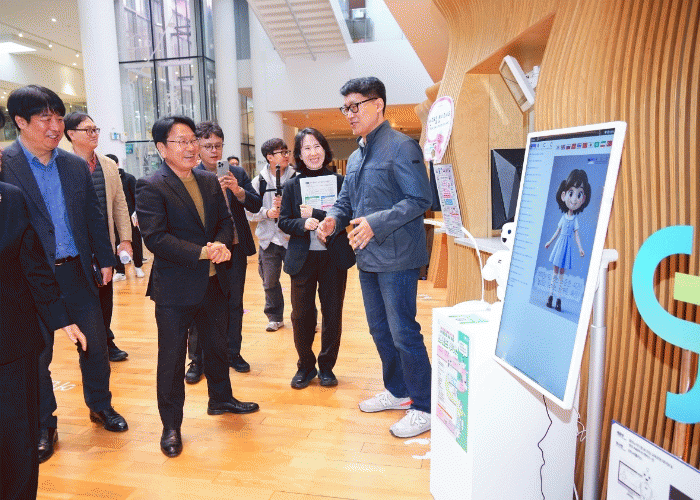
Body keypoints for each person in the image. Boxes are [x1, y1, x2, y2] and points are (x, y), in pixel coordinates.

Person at [1, 85, 129, 464]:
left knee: (96, 346)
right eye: (45, 118)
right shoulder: (6, 165)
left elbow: (92, 215)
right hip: (28, 282)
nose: (55, 126)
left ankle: (100, 405)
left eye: (59, 118)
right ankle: (45, 425)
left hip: (76, 272)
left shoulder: (73, 165)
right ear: (20, 122)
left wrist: (105, 258)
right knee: (38, 356)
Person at [135, 115, 259, 458]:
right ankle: (171, 426)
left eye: (192, 140)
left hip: (213, 282)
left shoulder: (207, 180)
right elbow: (156, 238)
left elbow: (224, 221)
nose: (190, 148)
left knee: (217, 346)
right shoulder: (151, 185)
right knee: (172, 359)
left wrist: (220, 243)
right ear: (162, 148)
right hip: (175, 289)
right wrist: (204, 252)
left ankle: (221, 399)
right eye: (181, 141)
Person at [317, 77, 433, 438]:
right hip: (366, 256)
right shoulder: (355, 157)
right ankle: (398, 391)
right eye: (345, 108)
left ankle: (425, 405)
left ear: (378, 104)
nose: (349, 114)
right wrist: (333, 219)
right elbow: (347, 201)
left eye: (355, 106)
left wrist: (375, 222)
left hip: (398, 258)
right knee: (379, 329)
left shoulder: (402, 147)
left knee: (403, 332)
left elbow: (420, 199)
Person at [0, 107, 87, 500]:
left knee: (17, 441)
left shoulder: (10, 198)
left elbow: (33, 266)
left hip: (13, 341)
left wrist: (61, 318)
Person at [184, 121, 262, 383]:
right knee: (200, 304)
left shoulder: (236, 172)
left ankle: (232, 353)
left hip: (235, 247)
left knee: (234, 303)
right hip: (206, 250)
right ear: (198, 146)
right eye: (208, 146)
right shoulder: (190, 173)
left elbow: (255, 203)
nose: (214, 151)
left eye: (218, 145)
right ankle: (197, 360)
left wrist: (237, 190)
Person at [278, 128, 355, 389]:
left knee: (332, 314)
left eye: (317, 146)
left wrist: (318, 214)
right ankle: (306, 365)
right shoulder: (292, 185)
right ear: (300, 155)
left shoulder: (340, 182)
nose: (313, 153)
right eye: (307, 148)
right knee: (301, 316)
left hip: (333, 257)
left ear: (325, 149)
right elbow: (284, 221)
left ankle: (327, 367)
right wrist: (303, 223)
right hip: (303, 259)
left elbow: (347, 215)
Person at [64, 112, 132, 362]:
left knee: (105, 296)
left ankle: (106, 340)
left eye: (95, 129)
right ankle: (88, 345)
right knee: (83, 299)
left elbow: (120, 204)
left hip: (104, 244)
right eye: (88, 130)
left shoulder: (108, 165)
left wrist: (125, 239)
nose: (94, 134)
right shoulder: (62, 165)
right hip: (75, 247)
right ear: (71, 134)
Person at [246, 138, 295, 332]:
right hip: (268, 240)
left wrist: (287, 208)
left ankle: (304, 316)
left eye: (287, 151)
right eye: (281, 152)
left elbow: (306, 207)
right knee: (269, 281)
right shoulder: (258, 181)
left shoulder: (296, 177)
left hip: (292, 239)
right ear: (269, 157)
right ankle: (275, 317)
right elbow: (249, 212)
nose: (286, 155)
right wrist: (267, 213)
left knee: (301, 280)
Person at [544, 169, 591, 312]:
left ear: (583, 199)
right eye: (571, 193)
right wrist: (549, 242)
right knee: (554, 274)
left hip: (566, 248)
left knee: (561, 277)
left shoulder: (575, 219)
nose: (574, 199)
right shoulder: (563, 218)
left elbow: (577, 235)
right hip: (559, 245)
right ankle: (550, 296)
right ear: (564, 195)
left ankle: (558, 300)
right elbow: (557, 232)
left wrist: (580, 248)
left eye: (579, 195)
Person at [105, 153, 146, 280]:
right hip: (113, 219)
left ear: (117, 164)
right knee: (115, 243)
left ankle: (138, 266)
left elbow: (138, 197)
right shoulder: (105, 180)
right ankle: (120, 271)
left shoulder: (129, 178)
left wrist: (137, 214)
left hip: (130, 218)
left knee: (136, 242)